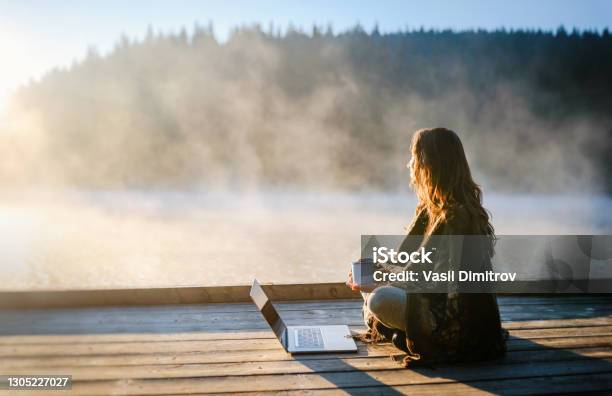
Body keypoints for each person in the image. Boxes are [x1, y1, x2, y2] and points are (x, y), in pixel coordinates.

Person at [346, 127, 507, 365]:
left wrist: (380, 282)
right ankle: (393, 326)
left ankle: (393, 327)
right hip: (427, 296)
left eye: (413, 157)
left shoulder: (457, 218)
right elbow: (405, 263)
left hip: (455, 322)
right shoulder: (428, 209)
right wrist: (374, 270)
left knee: (379, 299)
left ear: (429, 164)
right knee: (368, 275)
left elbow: (444, 287)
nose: (409, 165)